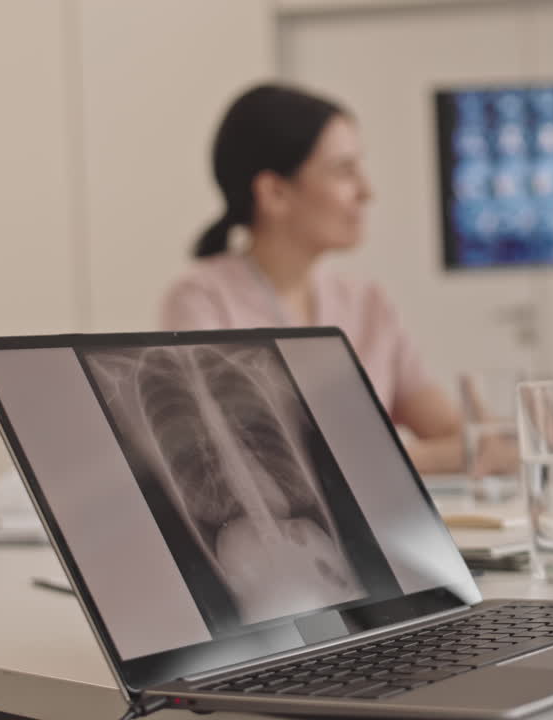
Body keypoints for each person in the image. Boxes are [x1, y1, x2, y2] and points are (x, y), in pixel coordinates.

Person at [161, 83, 490, 475]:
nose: (367, 191)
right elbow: (233, 463)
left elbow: (475, 441)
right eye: (344, 170)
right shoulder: (202, 299)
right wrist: (401, 462)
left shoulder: (367, 302)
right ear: (274, 192)